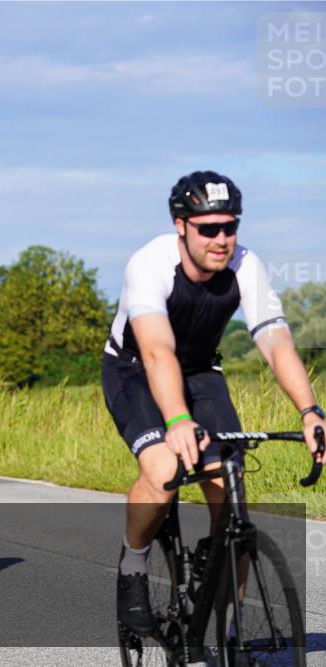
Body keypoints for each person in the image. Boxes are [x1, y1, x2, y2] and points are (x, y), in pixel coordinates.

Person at [103, 171, 326, 634]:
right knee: (164, 472)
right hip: (135, 371)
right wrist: (177, 419)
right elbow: (156, 350)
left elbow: (275, 341)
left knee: (231, 491)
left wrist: (310, 412)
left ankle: (231, 635)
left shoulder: (246, 265)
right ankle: (133, 564)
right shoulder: (150, 263)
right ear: (181, 225)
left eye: (230, 227)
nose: (221, 239)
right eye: (208, 229)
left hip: (201, 371)